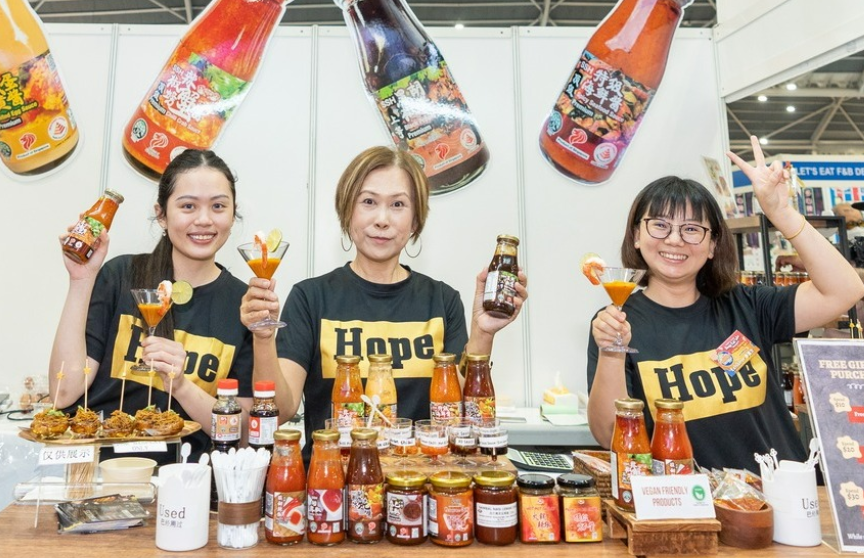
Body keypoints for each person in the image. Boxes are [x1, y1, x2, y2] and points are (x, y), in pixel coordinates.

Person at [587, 135, 864, 472]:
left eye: (692, 229)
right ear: (636, 235)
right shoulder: (617, 323)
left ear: (713, 245)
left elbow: (845, 291)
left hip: (779, 495)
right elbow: (609, 435)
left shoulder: (748, 305)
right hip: (687, 500)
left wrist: (781, 213)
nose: (674, 239)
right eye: (659, 225)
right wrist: (612, 352)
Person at [240, 145, 528, 449]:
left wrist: (483, 333)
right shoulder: (310, 298)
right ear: (347, 211)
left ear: (415, 220)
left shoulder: (442, 300)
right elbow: (281, 410)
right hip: (332, 473)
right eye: (368, 202)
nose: (382, 219)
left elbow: (463, 415)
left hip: (421, 473)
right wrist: (263, 338)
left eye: (398, 204)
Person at [49, 149, 254, 457]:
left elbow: (241, 432)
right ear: (162, 215)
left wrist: (181, 385)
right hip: (100, 472)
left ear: (232, 214)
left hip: (186, 476)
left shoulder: (243, 303)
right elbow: (63, 393)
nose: (204, 220)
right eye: (188, 206)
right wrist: (81, 280)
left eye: (218, 206)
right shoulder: (121, 275)